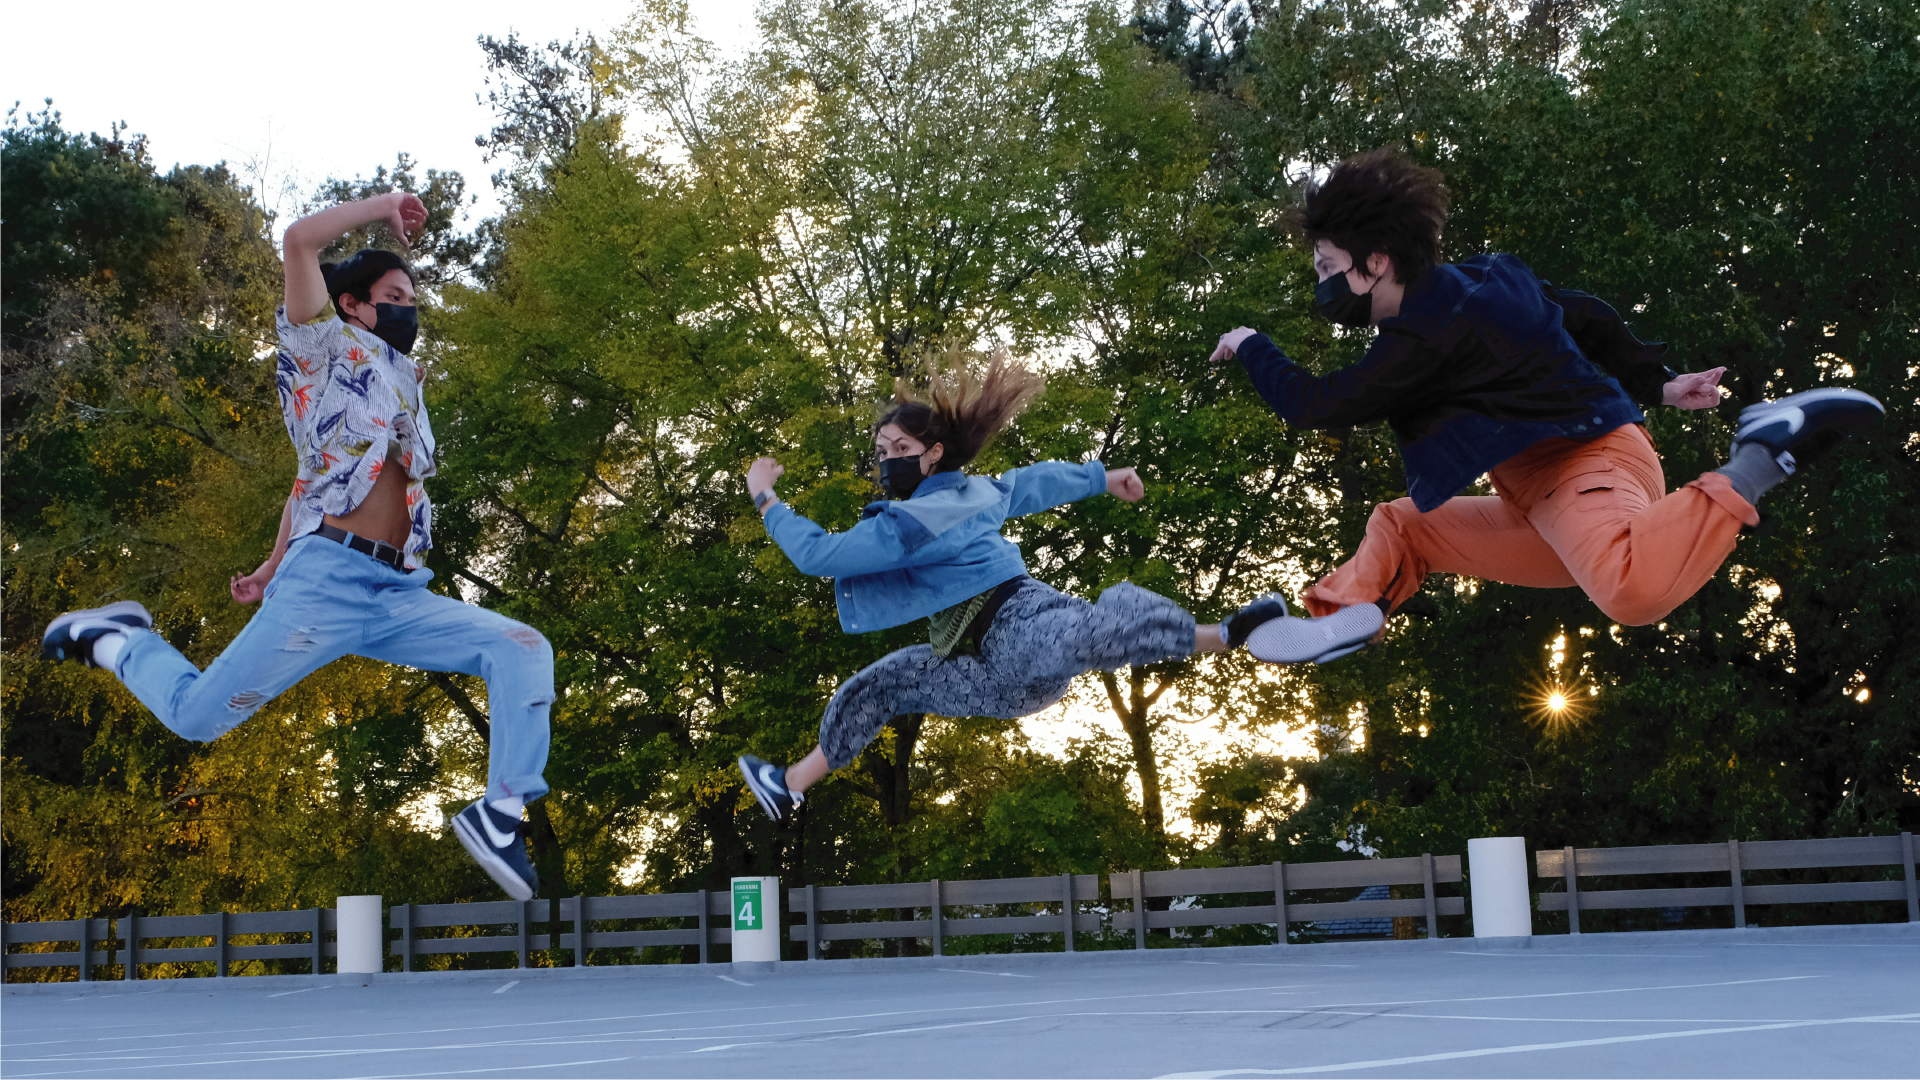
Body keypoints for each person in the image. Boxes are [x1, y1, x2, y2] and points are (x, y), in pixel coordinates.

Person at [40, 193, 554, 900]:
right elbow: (298, 241)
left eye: (413, 297)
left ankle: (501, 811)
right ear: (352, 303)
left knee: (522, 647)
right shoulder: (319, 346)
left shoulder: (405, 380)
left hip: (398, 591)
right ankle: (116, 641)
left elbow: (314, 478)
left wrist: (268, 562)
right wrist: (384, 209)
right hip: (327, 587)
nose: (410, 308)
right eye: (394, 295)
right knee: (198, 717)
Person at [1208, 147, 1884, 663]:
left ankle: (1761, 457)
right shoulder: (1487, 278)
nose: (1323, 286)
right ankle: (1334, 620)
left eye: (1328, 268)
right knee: (1404, 525)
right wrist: (1663, 383)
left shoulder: (1423, 336)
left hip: (1584, 466)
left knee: (1632, 590)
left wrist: (1250, 344)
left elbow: (1317, 403)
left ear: (1375, 263)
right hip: (1539, 496)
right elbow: (1583, 316)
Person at [736, 352, 1289, 820]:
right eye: (882, 454)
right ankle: (789, 783)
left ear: (935, 455)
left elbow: (815, 554)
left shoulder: (912, 522)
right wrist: (1100, 477)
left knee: (1078, 635)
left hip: (1018, 622)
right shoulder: (969, 496)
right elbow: (1028, 485)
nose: (887, 464)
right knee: (880, 684)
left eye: (900, 451)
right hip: (984, 675)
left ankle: (1227, 633)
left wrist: (767, 497)